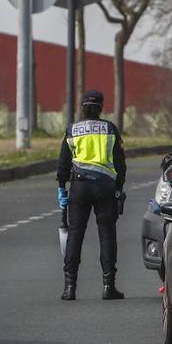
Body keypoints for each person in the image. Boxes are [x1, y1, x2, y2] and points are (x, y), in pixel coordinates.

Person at [57, 90, 127, 301]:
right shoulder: (110, 129)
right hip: (105, 187)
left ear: (82, 107)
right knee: (107, 235)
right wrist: (118, 188)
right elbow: (120, 164)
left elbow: (63, 163)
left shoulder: (72, 130)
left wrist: (62, 187)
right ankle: (108, 286)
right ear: (101, 108)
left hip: (79, 186)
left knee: (75, 234)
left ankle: (70, 288)